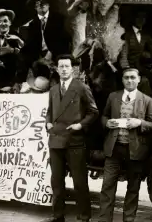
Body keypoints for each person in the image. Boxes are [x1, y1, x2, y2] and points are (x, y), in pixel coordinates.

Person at [98, 68, 152, 222]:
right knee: (107, 187)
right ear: (122, 80)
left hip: (135, 150)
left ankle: (128, 220)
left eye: (132, 77)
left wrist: (139, 122)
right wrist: (107, 123)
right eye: (126, 78)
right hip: (114, 148)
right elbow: (103, 116)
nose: (129, 80)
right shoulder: (113, 97)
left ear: (138, 80)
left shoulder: (147, 100)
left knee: (133, 189)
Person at [45, 54, 99, 222]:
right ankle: (58, 215)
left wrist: (80, 125)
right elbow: (49, 111)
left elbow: (93, 112)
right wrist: (47, 123)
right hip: (55, 139)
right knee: (56, 181)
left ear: (73, 69)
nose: (63, 69)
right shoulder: (53, 89)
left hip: (74, 140)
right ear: (56, 69)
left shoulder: (81, 87)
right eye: (60, 66)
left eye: (66, 66)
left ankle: (84, 216)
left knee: (79, 181)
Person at [21, 0, 72, 78]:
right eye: (38, 3)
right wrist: (39, 58)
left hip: (57, 52)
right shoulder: (33, 24)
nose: (41, 4)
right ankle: (20, 84)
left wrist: (51, 52)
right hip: (41, 55)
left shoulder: (59, 18)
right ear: (35, 7)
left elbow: (64, 39)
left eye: (44, 1)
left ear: (49, 4)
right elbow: (31, 44)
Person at [119, 10, 152, 99]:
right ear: (134, 19)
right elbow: (123, 55)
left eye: (144, 18)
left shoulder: (145, 35)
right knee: (144, 81)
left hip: (139, 67)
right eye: (139, 17)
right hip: (128, 68)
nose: (141, 20)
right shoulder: (126, 34)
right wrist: (127, 70)